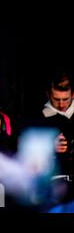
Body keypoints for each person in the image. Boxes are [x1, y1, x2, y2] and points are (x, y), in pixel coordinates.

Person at [41, 71, 73, 202]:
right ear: (48, 95)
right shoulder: (40, 117)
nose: (61, 104)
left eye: (65, 99)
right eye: (56, 99)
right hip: (52, 185)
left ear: (73, 95)